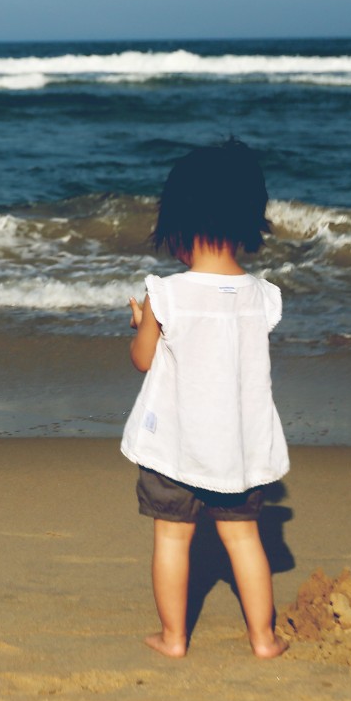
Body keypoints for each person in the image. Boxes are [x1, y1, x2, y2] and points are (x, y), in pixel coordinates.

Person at [123, 139, 290, 659]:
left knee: (173, 540)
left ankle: (174, 639)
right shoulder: (263, 297)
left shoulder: (166, 295)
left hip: (175, 451)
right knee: (244, 540)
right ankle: (263, 639)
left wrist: (141, 323)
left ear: (180, 224)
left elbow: (143, 359)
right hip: (237, 451)